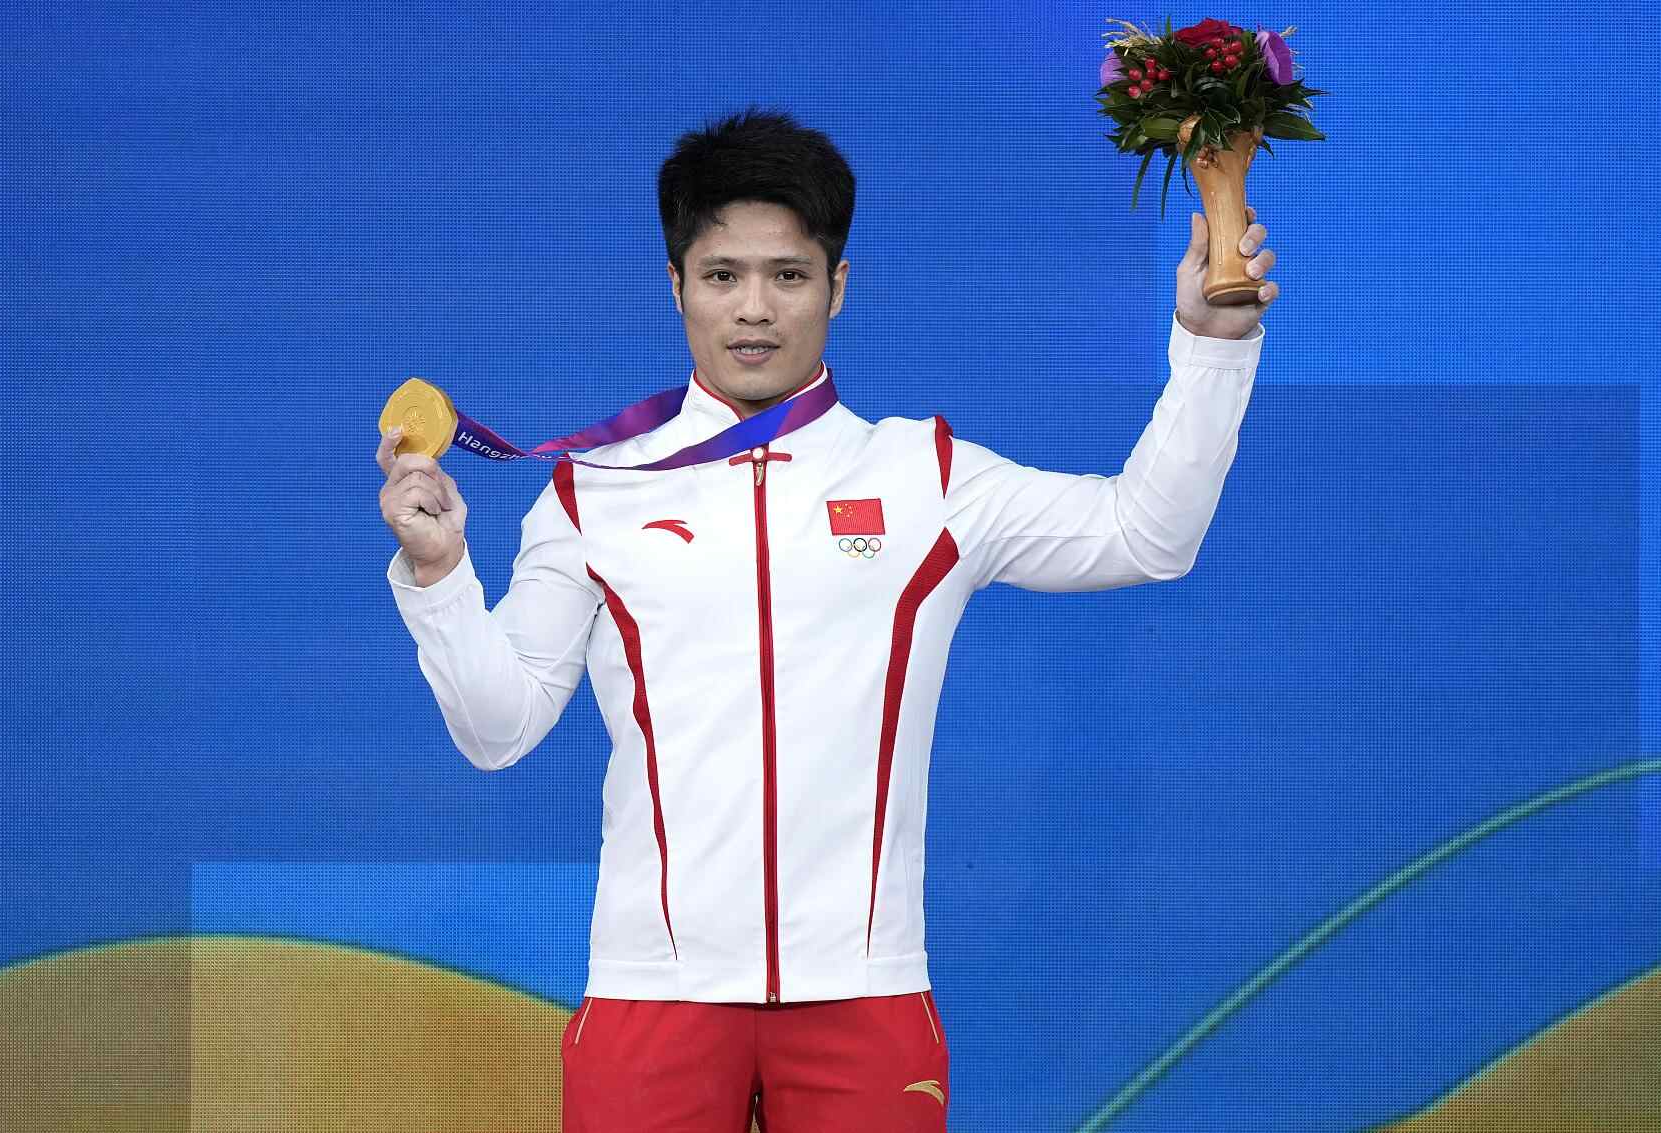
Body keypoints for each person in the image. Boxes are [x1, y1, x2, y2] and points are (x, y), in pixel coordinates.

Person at [376, 106, 1274, 1132]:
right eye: (722, 275)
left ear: (838, 286)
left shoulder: (923, 475)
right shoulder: (594, 491)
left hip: (864, 997)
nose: (754, 309)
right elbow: (497, 729)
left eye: (789, 275)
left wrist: (1212, 346)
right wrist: (440, 574)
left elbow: (1147, 533)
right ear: (675, 286)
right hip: (651, 994)